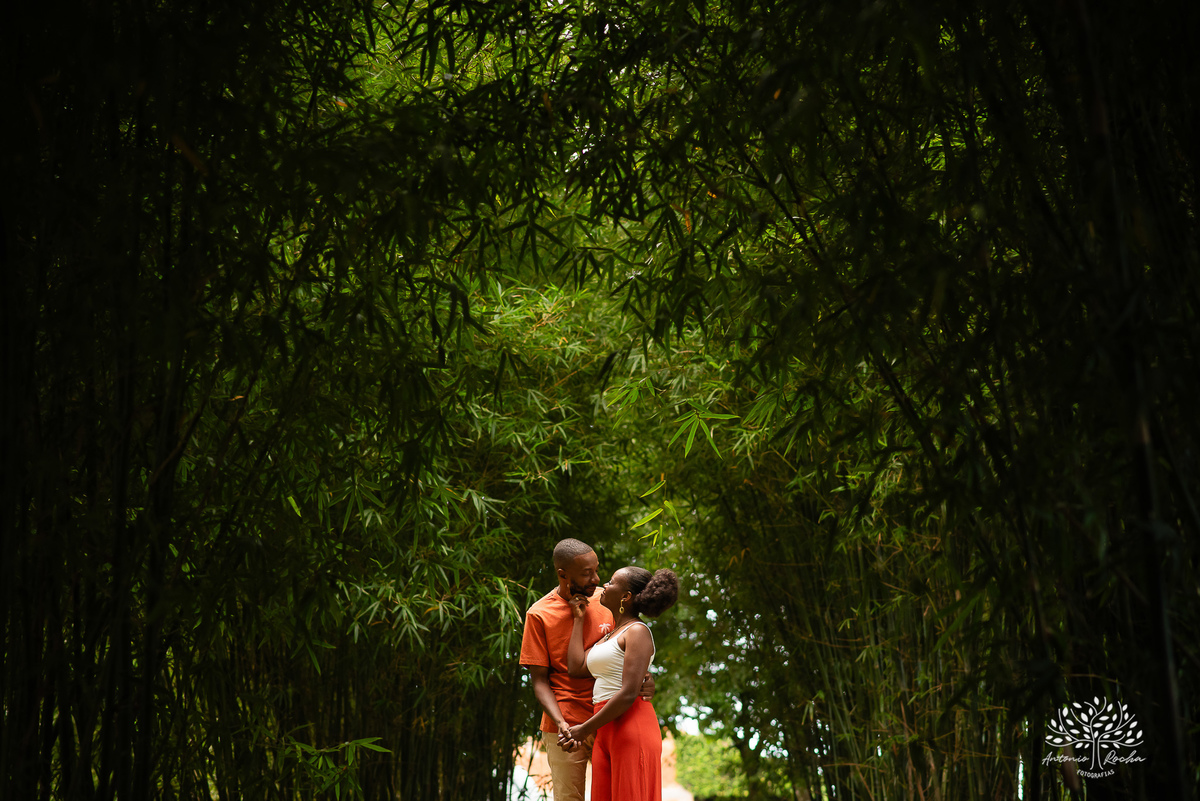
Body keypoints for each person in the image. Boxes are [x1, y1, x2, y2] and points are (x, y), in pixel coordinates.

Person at [518, 539, 656, 801]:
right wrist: (561, 723)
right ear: (563, 574)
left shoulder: (608, 602)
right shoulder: (539, 614)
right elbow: (539, 681)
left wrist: (647, 678)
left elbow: (627, 653)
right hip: (567, 724)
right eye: (586, 573)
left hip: (613, 718)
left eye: (596, 569)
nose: (596, 578)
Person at [562, 565, 680, 801]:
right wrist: (578, 619)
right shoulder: (611, 635)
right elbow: (575, 668)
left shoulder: (637, 631)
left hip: (631, 725)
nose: (605, 585)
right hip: (605, 727)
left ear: (626, 596)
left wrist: (584, 729)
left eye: (612, 582)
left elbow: (628, 693)